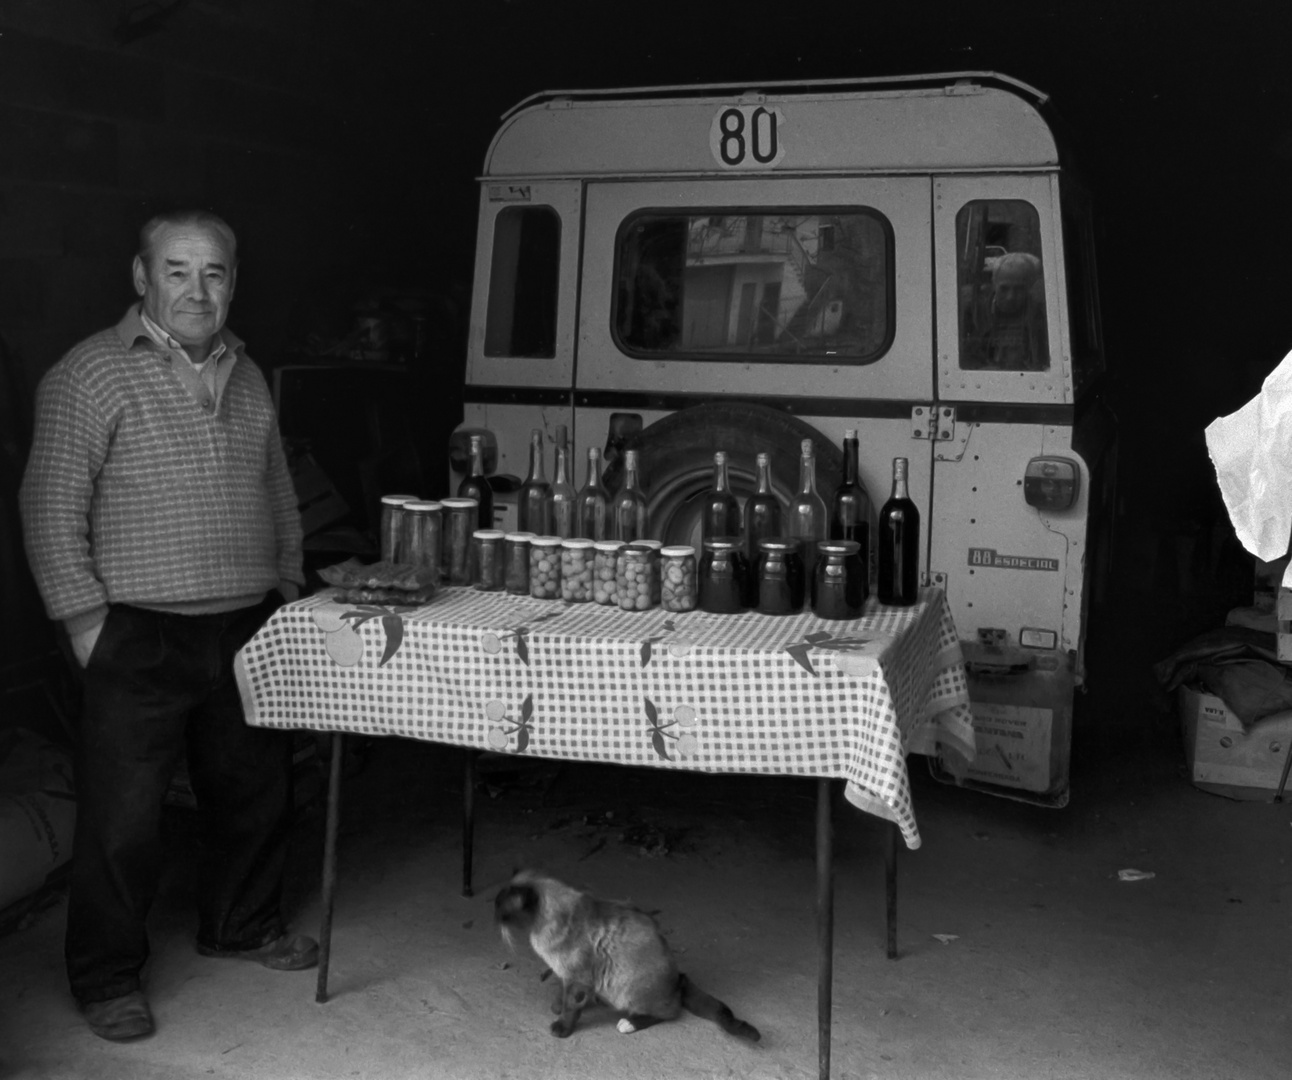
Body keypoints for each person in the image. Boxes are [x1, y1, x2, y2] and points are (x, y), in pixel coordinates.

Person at [19, 209, 315, 1042]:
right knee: (124, 819)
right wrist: (84, 623)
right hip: (137, 630)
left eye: (214, 272)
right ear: (141, 278)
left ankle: (242, 927)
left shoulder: (248, 375)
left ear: (233, 282)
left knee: (254, 793)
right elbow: (48, 508)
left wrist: (285, 586)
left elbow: (278, 494)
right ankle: (107, 978)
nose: (197, 289)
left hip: (244, 622)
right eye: (177, 271)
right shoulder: (89, 374)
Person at [976, 251, 1049, 371]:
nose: (1011, 296)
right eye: (1004, 288)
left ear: (1030, 287)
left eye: (1019, 289)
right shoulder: (975, 314)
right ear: (994, 284)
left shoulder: (1041, 316)